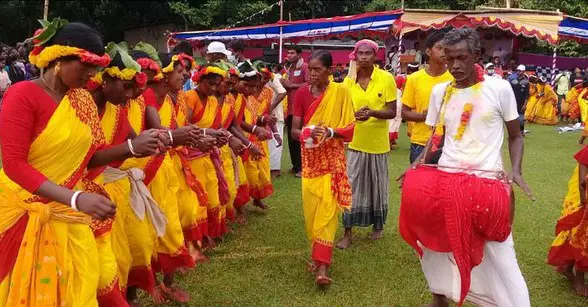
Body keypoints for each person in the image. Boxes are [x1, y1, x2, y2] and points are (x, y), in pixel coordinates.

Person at [0, 20, 157, 307]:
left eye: (96, 67)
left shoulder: (82, 99)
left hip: (70, 211)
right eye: (85, 65)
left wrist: (132, 147)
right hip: (25, 211)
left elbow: (90, 157)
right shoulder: (22, 95)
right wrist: (74, 198)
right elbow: (13, 165)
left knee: (84, 283)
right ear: (58, 59)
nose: (92, 74)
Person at [399, 28, 533, 307]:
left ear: (477, 55)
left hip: (486, 185)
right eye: (449, 60)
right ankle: (441, 298)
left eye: (462, 58)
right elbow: (437, 138)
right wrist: (419, 164)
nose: (455, 66)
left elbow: (516, 135)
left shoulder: (499, 87)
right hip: (445, 181)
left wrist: (516, 170)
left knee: (501, 253)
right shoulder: (440, 92)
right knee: (434, 245)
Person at [290, 50, 354, 287]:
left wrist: (329, 132)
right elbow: (295, 130)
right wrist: (307, 133)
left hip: (332, 161)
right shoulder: (301, 93)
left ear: (330, 70)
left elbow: (350, 131)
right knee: (312, 213)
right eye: (310, 69)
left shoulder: (341, 92)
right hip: (310, 161)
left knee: (327, 212)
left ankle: (323, 268)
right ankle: (317, 256)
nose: (312, 73)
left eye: (317, 69)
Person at [336, 39, 397, 249]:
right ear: (355, 56)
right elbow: (342, 112)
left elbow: (392, 112)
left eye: (367, 53)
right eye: (360, 53)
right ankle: (347, 232)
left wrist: (372, 113)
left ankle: (377, 226)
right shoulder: (348, 81)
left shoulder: (386, 78)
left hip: (378, 143)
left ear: (375, 55)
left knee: (377, 186)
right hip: (355, 142)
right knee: (351, 186)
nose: (363, 57)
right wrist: (354, 115)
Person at [401, 30, 453, 164]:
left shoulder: (455, 78)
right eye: (439, 48)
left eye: (447, 49)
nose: (444, 52)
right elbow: (405, 113)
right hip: (421, 141)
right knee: (421, 183)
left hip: (448, 142)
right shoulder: (414, 78)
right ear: (428, 52)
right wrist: (427, 116)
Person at [548, 145, 588, 297]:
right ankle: (579, 278)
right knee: (580, 231)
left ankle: (567, 266)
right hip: (584, 193)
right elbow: (583, 162)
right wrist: (583, 194)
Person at [281, 45, 308, 177]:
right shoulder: (290, 68)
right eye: (288, 53)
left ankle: (302, 167)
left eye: (292, 53)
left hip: (302, 108)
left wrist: (292, 85)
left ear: (299, 54)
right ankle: (295, 166)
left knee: (300, 137)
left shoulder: (305, 67)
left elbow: (309, 83)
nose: (289, 55)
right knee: (291, 138)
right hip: (290, 107)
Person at [265, 66, 287, 178]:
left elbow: (283, 92)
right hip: (265, 116)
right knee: (268, 143)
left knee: (275, 143)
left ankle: (275, 169)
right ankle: (268, 168)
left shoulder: (272, 78)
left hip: (276, 116)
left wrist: (271, 106)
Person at [509, 65, 530, 134]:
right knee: (513, 118)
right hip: (513, 102)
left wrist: (525, 104)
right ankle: (514, 132)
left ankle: (521, 132)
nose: (518, 72)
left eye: (520, 71)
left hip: (521, 102)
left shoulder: (526, 82)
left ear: (523, 72)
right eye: (518, 70)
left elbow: (527, 95)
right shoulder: (513, 81)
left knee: (521, 118)